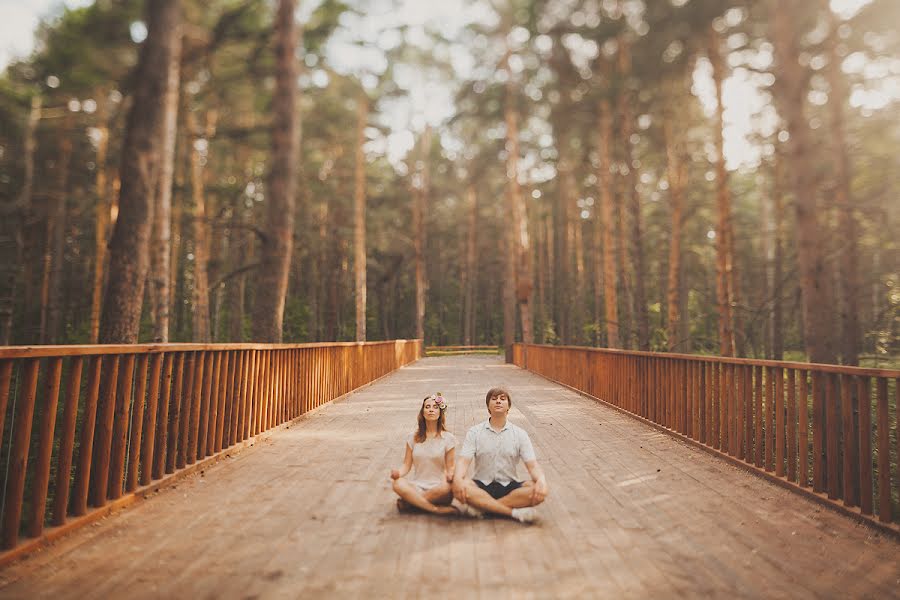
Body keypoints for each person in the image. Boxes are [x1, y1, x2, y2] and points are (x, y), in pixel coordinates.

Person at [452, 387, 548, 524]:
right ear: (488, 407)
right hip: (480, 485)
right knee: (461, 486)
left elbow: (532, 466)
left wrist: (542, 481)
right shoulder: (474, 432)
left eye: (502, 399)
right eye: (494, 399)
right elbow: (463, 462)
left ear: (508, 407)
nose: (498, 401)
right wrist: (457, 480)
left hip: (509, 486)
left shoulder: (520, 434)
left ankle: (483, 507)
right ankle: (512, 513)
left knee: (538, 490)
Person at [390, 393, 458, 515]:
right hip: (417, 487)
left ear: (440, 413)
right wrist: (398, 473)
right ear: (422, 412)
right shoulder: (413, 437)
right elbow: (406, 465)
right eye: (427, 407)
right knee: (397, 483)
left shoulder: (449, 438)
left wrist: (450, 476)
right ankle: (435, 509)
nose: (431, 409)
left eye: (435, 407)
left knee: (447, 487)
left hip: (439, 488)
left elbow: (450, 467)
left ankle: (411, 502)